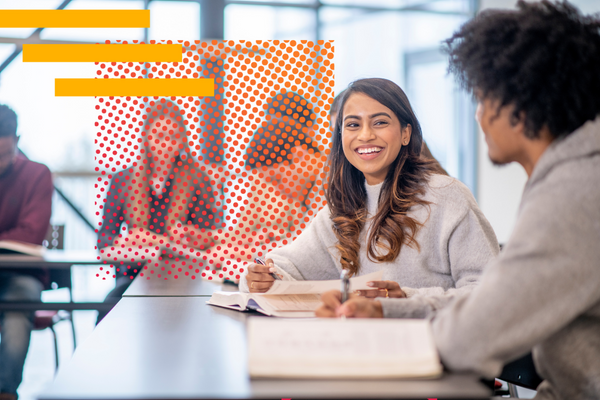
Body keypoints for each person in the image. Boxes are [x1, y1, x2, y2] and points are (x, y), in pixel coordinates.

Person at [317, 2, 600, 398]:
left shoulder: (575, 196)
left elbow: (482, 326)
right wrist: (387, 309)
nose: (478, 117)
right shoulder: (574, 178)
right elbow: (495, 304)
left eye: (483, 100)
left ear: (518, 103)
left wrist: (383, 334)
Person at [241, 78, 498, 319]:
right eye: (353, 125)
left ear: (406, 133)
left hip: (434, 353)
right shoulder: (341, 207)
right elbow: (285, 265)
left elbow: (491, 295)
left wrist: (405, 300)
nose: (365, 135)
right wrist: (262, 276)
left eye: (380, 122)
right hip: (363, 350)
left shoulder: (448, 196)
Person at [97, 98, 219, 321]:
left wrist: (183, 238)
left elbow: (212, 238)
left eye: (173, 137)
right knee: (110, 310)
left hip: (185, 279)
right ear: (147, 138)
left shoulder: (198, 181)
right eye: (160, 137)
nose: (166, 145)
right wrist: (123, 243)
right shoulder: (123, 181)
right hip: (133, 278)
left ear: (183, 139)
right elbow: (105, 240)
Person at [197, 91, 324, 280]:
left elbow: (307, 255)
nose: (277, 190)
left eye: (277, 180)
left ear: (299, 155)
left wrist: (252, 252)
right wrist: (212, 238)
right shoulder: (295, 186)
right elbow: (244, 234)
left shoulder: (330, 186)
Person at [0, 105, 53, 400]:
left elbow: (31, 233)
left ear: (16, 140)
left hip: (22, 273)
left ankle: (5, 393)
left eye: (4, 154)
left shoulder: (37, 175)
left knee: (17, 306)